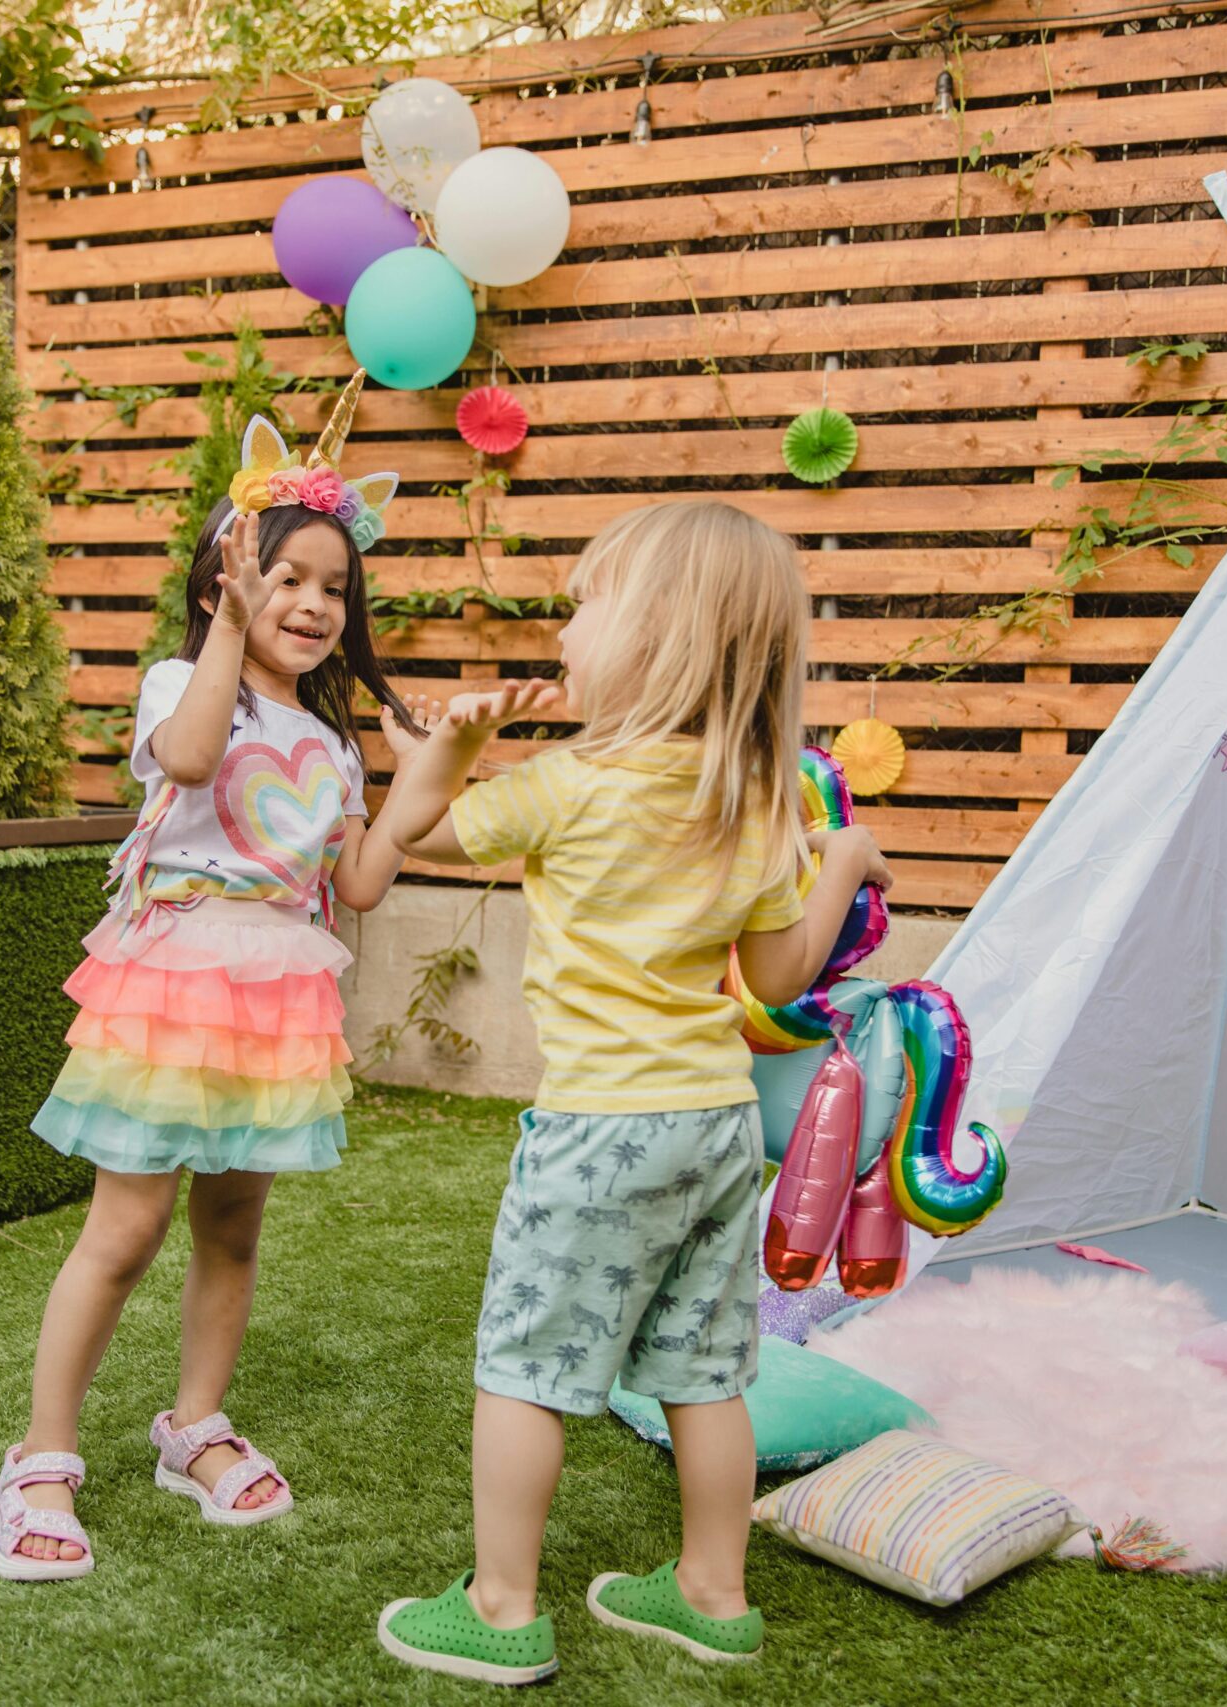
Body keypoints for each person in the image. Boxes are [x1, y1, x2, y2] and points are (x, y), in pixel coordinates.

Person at [363, 500, 890, 1680]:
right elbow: (774, 978)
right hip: (711, 1129)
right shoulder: (752, 805)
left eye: (586, 604)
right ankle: (711, 1592)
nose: (565, 633)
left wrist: (439, 752)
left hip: (599, 1129)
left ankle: (500, 1611)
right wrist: (842, 859)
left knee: (525, 1369)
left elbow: (412, 838)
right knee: (705, 1373)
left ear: (659, 636)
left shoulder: (565, 785)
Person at [0, 378, 433, 1578]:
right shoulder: (184, 691)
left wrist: (428, 786)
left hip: (279, 995)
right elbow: (186, 760)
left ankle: (192, 1428)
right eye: (285, 576)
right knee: (125, 1229)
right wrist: (229, 628)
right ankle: (38, 1458)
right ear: (220, 583)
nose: (312, 603)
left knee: (231, 1228)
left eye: (334, 587)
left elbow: (360, 883)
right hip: (175, 974)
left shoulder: (336, 744)